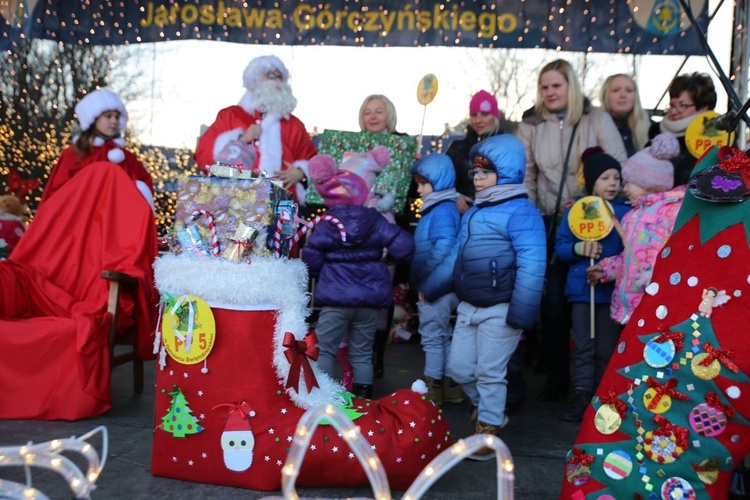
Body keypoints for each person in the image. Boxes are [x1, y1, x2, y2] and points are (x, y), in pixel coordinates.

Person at [516, 59, 627, 402]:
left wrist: (592, 199)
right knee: (552, 304)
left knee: (589, 304)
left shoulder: (598, 120)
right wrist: (531, 220)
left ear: (571, 88)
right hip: (551, 222)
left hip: (597, 225)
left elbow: (618, 165)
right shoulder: (531, 123)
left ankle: (595, 382)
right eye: (545, 86)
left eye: (557, 86)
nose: (550, 92)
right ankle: (557, 375)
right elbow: (526, 175)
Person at [448, 134, 546, 459]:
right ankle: (490, 409)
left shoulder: (522, 212)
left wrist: (521, 313)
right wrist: (437, 285)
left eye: (484, 172)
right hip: (469, 305)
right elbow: (459, 256)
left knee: (491, 372)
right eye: (474, 173)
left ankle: (488, 429)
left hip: (501, 309)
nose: (477, 179)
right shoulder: (475, 211)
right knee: (460, 368)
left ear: (505, 173)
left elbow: (533, 264)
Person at [302, 151, 414, 399]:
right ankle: (363, 400)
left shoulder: (328, 222)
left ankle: (325, 398)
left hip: (336, 299)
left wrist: (324, 274)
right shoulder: (375, 220)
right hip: (370, 302)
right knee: (362, 353)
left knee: (326, 349)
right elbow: (404, 245)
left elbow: (311, 257)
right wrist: (389, 259)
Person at [554, 147, 631, 423]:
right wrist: (578, 247)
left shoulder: (624, 213)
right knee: (583, 346)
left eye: (616, 178)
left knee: (606, 349)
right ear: (591, 182)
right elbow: (560, 248)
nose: (612, 183)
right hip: (581, 291)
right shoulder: (577, 212)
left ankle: (604, 396)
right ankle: (581, 393)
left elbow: (631, 249)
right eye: (605, 178)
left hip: (611, 293)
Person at [586, 133, 685, 326]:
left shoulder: (672, 213)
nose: (625, 187)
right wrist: (607, 269)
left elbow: (678, 254)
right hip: (628, 303)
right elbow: (629, 256)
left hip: (652, 302)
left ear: (648, 184)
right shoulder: (632, 215)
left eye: (629, 182)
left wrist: (657, 276)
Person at [194, 55, 317, 205]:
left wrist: (302, 172)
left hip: (282, 206)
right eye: (271, 75)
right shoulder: (230, 116)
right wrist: (241, 140)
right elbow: (204, 157)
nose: (277, 81)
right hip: (235, 203)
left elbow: (314, 162)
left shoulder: (294, 125)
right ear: (255, 80)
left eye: (280, 77)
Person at [39, 88, 154, 210]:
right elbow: (58, 190)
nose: (114, 121)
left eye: (117, 116)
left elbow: (144, 187)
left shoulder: (126, 157)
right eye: (108, 116)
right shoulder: (75, 153)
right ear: (93, 119)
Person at [410, 154, 462, 406]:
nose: (418, 189)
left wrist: (426, 280)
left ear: (438, 182)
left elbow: (443, 248)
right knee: (444, 334)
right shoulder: (443, 208)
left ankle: (432, 384)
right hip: (443, 285)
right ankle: (450, 384)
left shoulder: (441, 211)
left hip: (436, 286)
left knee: (432, 334)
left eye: (422, 183)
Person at [649, 72, 717, 187]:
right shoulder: (655, 135)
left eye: (683, 105)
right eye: (672, 105)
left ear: (704, 108)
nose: (674, 111)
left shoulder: (718, 142)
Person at [446, 90, 504, 215]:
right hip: (462, 217)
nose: (478, 120)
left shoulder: (506, 148)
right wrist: (455, 196)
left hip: (496, 218)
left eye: (484, 114)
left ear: (494, 117)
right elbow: (441, 182)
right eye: (474, 115)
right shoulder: (457, 148)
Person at [599, 74, 651, 157]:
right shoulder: (592, 127)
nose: (623, 95)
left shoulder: (652, 129)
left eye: (629, 90)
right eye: (616, 90)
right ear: (605, 95)